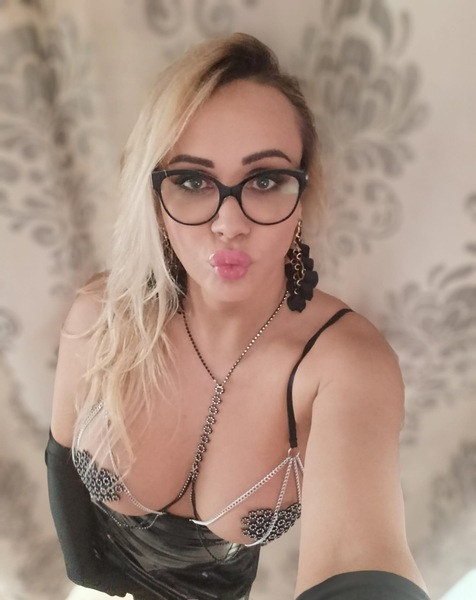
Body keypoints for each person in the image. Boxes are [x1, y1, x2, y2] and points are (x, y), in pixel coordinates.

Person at [45, 32, 431, 600]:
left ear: (303, 194)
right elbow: (60, 458)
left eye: (265, 180)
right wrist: (87, 578)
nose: (229, 224)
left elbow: (363, 559)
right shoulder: (100, 318)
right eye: (192, 180)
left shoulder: (342, 366)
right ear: (155, 197)